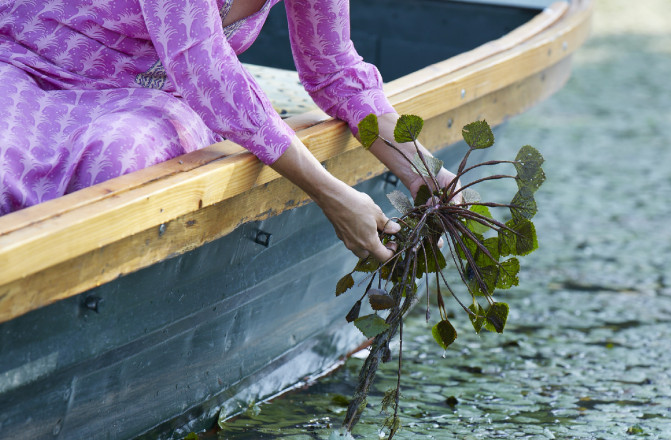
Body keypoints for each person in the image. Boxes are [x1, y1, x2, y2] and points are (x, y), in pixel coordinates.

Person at [0, 0, 457, 262]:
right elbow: (204, 68)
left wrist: (425, 170)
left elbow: (335, 71)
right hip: (23, 61)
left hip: (146, 96)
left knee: (121, 162)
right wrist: (331, 194)